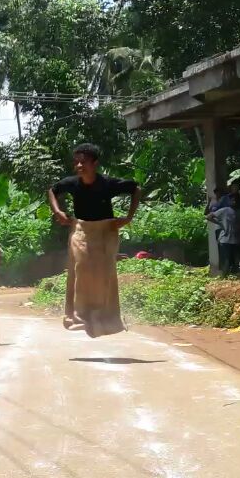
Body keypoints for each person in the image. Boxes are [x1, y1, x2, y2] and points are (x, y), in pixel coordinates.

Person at [50, 143, 140, 336]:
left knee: (105, 271)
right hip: (81, 228)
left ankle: (106, 318)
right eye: (77, 162)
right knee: (81, 267)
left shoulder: (107, 183)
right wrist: (58, 211)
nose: (79, 166)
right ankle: (79, 316)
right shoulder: (73, 183)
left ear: (95, 163)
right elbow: (53, 190)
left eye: (83, 162)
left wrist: (128, 217)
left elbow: (135, 189)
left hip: (106, 229)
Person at [205, 188, 238, 276]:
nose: (234, 202)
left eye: (235, 200)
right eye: (232, 200)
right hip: (225, 239)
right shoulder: (225, 210)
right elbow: (208, 216)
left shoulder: (236, 211)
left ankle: (231, 278)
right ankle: (224, 278)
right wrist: (220, 223)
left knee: (232, 261)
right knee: (226, 261)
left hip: (234, 240)